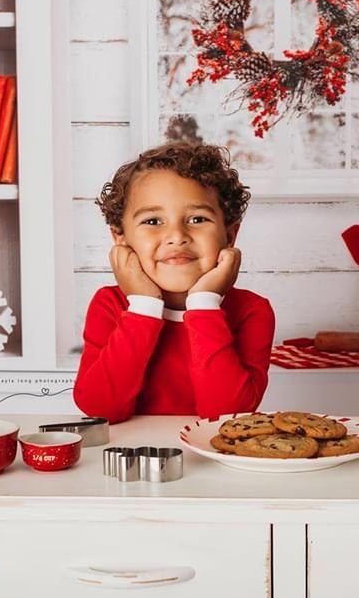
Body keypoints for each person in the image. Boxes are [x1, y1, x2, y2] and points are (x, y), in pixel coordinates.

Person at [73, 141, 275, 423]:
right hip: (132, 459)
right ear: (120, 237)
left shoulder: (251, 311)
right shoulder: (110, 305)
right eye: (153, 221)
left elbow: (229, 414)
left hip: (213, 461)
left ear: (230, 235)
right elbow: (100, 408)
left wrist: (204, 304)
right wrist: (142, 306)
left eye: (197, 218)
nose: (177, 235)